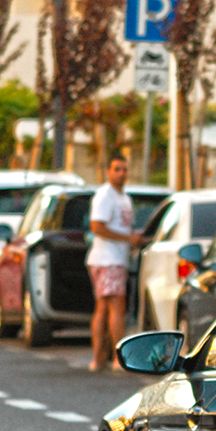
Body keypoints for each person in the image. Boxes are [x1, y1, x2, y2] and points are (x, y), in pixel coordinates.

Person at [86, 154, 143, 371]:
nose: (121, 173)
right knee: (114, 307)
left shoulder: (124, 197)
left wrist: (133, 237)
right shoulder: (105, 196)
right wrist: (128, 239)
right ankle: (116, 359)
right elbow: (96, 226)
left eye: (125, 169)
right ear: (108, 171)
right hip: (107, 258)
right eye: (117, 169)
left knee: (104, 306)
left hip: (116, 258)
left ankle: (100, 358)